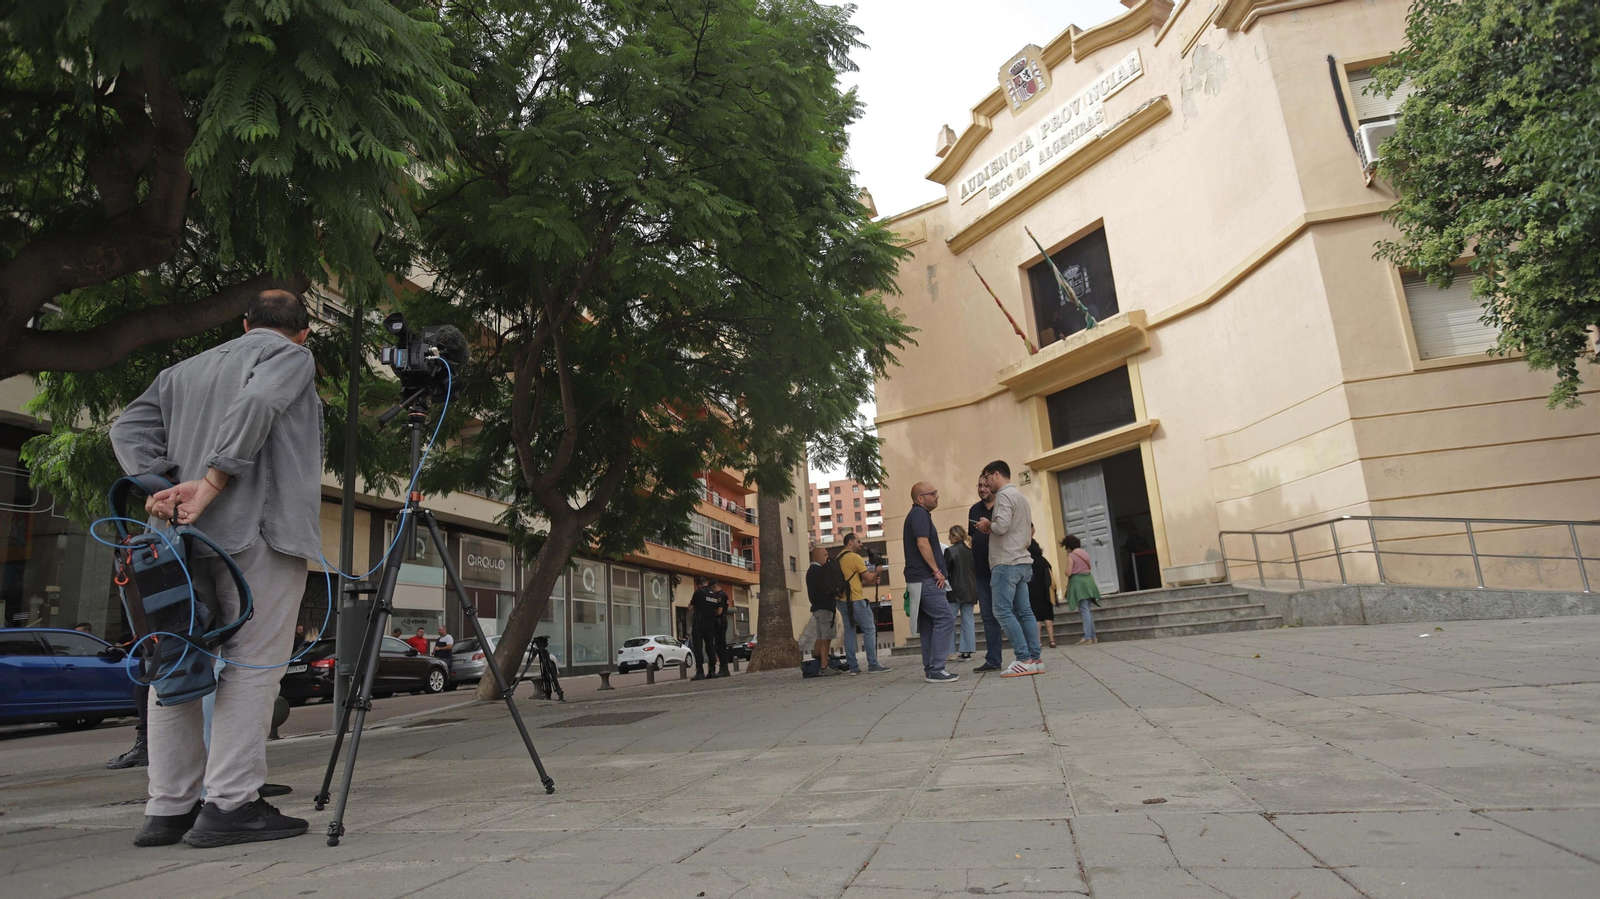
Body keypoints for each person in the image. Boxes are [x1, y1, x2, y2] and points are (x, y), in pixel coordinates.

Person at [109, 288, 321, 848]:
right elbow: (257, 406)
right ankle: (230, 803)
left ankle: (169, 807)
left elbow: (124, 428)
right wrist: (210, 483)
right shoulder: (291, 356)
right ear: (303, 331)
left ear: (245, 321)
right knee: (254, 665)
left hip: (175, 542)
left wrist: (160, 487)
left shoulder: (181, 371)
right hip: (258, 532)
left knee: (174, 663)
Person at [974, 460, 1041, 677]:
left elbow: (1001, 526)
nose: (985, 483)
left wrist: (987, 525)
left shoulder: (1003, 496)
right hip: (1022, 560)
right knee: (1025, 611)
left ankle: (1023, 658)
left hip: (1005, 562)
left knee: (1001, 611)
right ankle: (1036, 658)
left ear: (995, 474)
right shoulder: (1021, 497)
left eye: (986, 478)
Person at [905, 481, 958, 683]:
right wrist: (937, 571)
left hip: (920, 578)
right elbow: (922, 543)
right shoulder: (919, 514)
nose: (937, 496)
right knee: (945, 618)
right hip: (926, 578)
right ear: (920, 498)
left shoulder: (919, 514)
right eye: (933, 493)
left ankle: (931, 668)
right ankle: (937, 669)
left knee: (928, 624)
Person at [836, 532, 890, 675]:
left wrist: (873, 577)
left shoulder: (839, 558)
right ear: (850, 543)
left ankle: (853, 667)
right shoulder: (854, 557)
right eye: (858, 542)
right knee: (869, 629)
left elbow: (858, 581)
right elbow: (867, 576)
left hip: (842, 601)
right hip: (855, 600)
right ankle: (873, 664)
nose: (861, 545)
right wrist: (878, 570)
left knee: (849, 631)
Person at [968, 480, 1004, 673]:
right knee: (988, 616)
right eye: (979, 485)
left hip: (1004, 568)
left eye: (985, 485)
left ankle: (1027, 656)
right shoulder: (974, 510)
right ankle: (993, 660)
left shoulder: (1004, 505)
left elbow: (1028, 530)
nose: (982, 489)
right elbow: (972, 539)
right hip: (982, 572)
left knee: (1012, 612)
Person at [804, 547, 842, 677]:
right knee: (826, 638)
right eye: (825, 555)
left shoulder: (811, 571)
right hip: (824, 608)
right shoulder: (819, 571)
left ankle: (818, 658)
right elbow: (826, 588)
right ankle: (824, 666)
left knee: (820, 637)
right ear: (817, 557)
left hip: (817, 608)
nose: (827, 557)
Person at [943, 526, 978, 660]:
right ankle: (967, 651)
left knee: (949, 621)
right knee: (968, 620)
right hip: (970, 590)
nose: (948, 538)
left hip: (954, 591)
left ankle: (950, 651)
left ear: (954, 536)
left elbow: (945, 572)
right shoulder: (971, 552)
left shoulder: (950, 551)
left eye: (950, 535)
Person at [1062, 535, 1103, 645]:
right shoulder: (1085, 553)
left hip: (1079, 583)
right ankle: (1093, 636)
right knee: (1087, 610)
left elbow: (1068, 572)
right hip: (1088, 581)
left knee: (1084, 610)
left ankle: (1087, 637)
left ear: (1069, 546)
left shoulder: (1071, 555)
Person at [689, 578, 724, 680]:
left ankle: (700, 672)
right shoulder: (714, 594)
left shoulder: (698, 593)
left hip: (699, 623)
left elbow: (691, 607)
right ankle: (712, 671)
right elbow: (718, 611)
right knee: (710, 646)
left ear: (699, 585)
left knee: (698, 647)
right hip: (711, 623)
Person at [1027, 537, 1057, 649]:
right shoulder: (1044, 560)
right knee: (1048, 615)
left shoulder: (1029, 562)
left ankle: (1038, 641)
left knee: (1036, 616)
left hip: (1032, 591)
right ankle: (1052, 640)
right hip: (1046, 591)